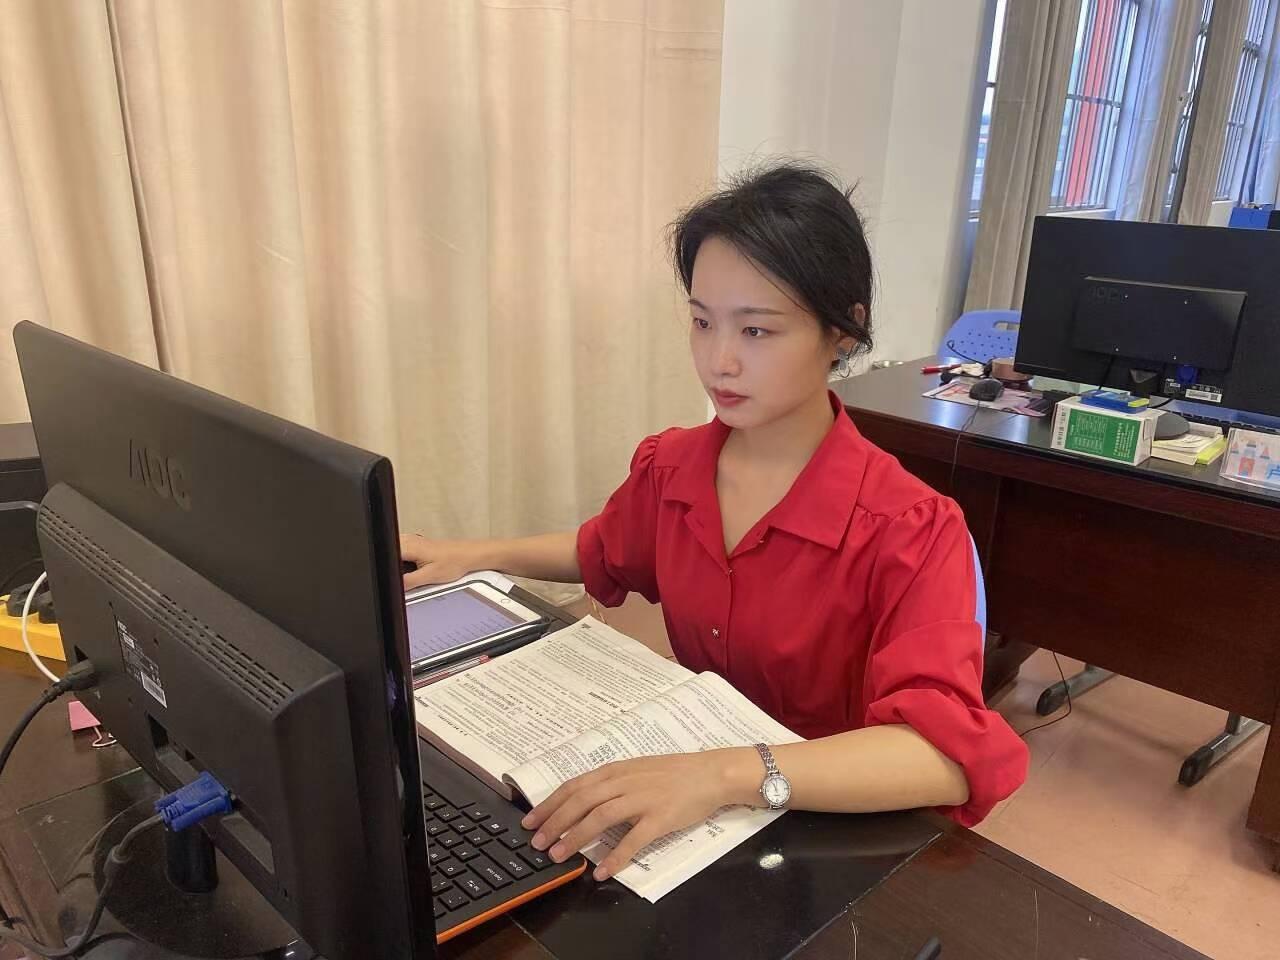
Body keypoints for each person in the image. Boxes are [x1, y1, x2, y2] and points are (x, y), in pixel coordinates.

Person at [401, 162, 1029, 883]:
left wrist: (724, 774)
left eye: (756, 330)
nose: (718, 361)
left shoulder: (910, 527)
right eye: (703, 322)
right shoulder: (674, 467)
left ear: (842, 332)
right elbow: (603, 547)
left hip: (831, 833)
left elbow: (942, 755)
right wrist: (469, 555)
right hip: (701, 811)